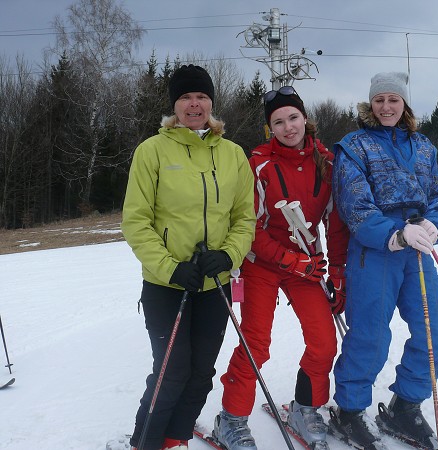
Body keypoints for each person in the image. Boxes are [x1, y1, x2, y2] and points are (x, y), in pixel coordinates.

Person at [121, 64, 256, 450]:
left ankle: (174, 438)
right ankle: (145, 442)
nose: (194, 104)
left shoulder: (233, 154)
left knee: (201, 372)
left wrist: (228, 256)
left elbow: (244, 218)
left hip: (215, 281)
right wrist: (171, 267)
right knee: (171, 370)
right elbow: (135, 221)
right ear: (174, 106)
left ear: (211, 103)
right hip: (167, 283)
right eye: (185, 97)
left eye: (200, 97)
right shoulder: (152, 150)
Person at [212, 86, 349, 450]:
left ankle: (305, 409)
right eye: (278, 122)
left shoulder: (328, 162)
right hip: (262, 263)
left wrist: (336, 272)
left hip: (308, 264)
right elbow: (249, 230)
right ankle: (231, 419)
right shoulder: (257, 164)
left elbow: (335, 224)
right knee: (256, 342)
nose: (288, 127)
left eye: (293, 118)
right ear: (269, 128)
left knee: (323, 342)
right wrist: (292, 261)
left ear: (305, 118)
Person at [328, 72, 438, 450]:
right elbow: (354, 205)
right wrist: (392, 234)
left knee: (437, 338)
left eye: (393, 100)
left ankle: (405, 405)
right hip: (375, 251)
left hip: (417, 249)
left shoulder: (424, 146)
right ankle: (349, 411)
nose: (386, 107)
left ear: (404, 104)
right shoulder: (355, 146)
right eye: (379, 100)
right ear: (369, 104)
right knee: (371, 338)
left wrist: (434, 223)